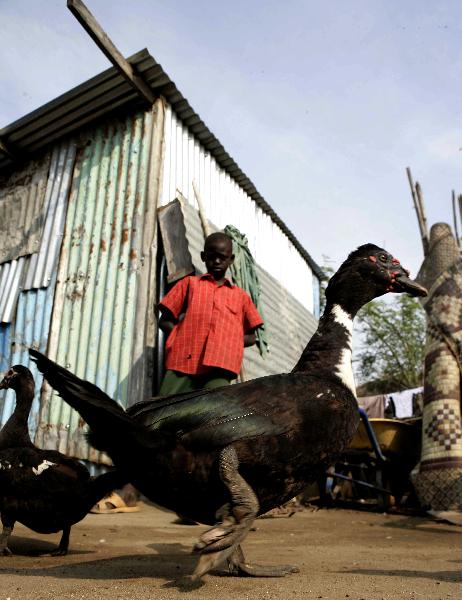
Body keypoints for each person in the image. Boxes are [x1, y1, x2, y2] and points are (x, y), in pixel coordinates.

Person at [158, 231, 264, 395]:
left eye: (222, 257)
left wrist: (229, 342)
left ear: (231, 260)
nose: (216, 261)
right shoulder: (189, 284)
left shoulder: (241, 297)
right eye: (212, 256)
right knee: (163, 409)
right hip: (183, 360)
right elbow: (164, 320)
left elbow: (251, 337)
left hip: (220, 366)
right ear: (203, 256)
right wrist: (180, 337)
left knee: (215, 414)